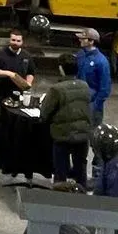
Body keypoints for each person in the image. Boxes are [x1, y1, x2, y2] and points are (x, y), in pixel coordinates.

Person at [46, 54, 95, 187]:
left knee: (60, 169)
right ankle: (81, 194)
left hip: (63, 135)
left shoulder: (57, 89)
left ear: (61, 69)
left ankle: (60, 195)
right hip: (83, 135)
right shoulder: (85, 86)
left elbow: (45, 112)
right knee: (81, 167)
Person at [74, 29, 112, 123]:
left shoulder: (101, 62)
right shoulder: (80, 54)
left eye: (83, 39)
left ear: (91, 41)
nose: (80, 40)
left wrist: (94, 106)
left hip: (92, 105)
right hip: (79, 100)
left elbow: (105, 89)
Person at [0, 29, 33, 106]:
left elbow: (31, 72)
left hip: (20, 96)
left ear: (22, 42)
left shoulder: (27, 56)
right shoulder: (0, 54)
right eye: (13, 40)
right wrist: (9, 74)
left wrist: (28, 84)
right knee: (3, 117)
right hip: (3, 96)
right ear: (9, 40)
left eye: (18, 41)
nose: (15, 43)